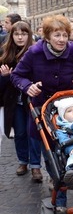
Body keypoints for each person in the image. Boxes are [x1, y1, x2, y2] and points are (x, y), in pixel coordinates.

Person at [11, 14, 73, 210]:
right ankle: (60, 194)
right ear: (47, 37)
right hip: (42, 107)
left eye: (65, 35)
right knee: (50, 150)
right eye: (57, 35)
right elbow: (17, 75)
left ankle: (64, 175)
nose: (62, 40)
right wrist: (27, 86)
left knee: (68, 143)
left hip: (67, 106)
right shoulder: (34, 52)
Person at [0, 21, 43, 181]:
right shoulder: (5, 54)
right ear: (12, 36)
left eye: (23, 34)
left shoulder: (35, 52)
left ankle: (36, 167)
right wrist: (5, 77)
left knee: (33, 133)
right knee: (20, 133)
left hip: (32, 100)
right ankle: (23, 161)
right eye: (16, 34)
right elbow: (1, 86)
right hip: (14, 101)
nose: (20, 37)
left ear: (29, 35)